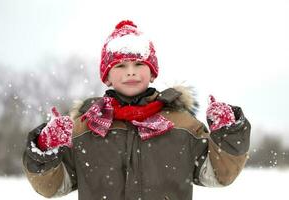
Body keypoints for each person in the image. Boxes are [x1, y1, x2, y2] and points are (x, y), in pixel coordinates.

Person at [22, 20, 251, 200]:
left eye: (139, 64)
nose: (130, 72)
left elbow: (220, 175)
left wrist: (228, 134)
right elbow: (53, 188)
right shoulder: (84, 128)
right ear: (107, 77)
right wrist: (44, 150)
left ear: (152, 73)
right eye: (120, 66)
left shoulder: (182, 125)